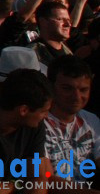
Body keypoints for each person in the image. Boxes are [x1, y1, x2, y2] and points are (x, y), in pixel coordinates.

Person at [43, 56, 100, 187]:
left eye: (83, 90)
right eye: (67, 88)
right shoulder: (37, 121)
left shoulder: (91, 120)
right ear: (51, 86)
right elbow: (46, 181)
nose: (76, 96)